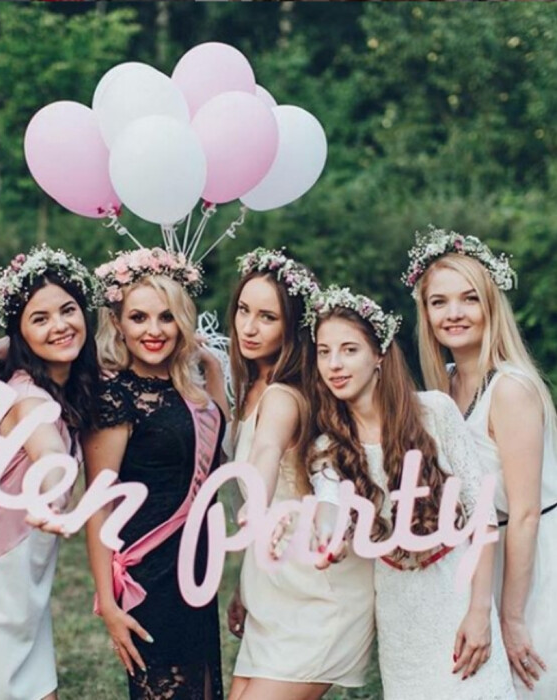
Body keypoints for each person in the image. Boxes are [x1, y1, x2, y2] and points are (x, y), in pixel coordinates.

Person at [305, 283, 516, 699]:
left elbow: (482, 518)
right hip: (399, 608)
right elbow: (328, 508)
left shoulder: (435, 411)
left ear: (379, 354)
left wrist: (479, 612)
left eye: (349, 349)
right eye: (324, 352)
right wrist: (326, 538)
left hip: (456, 593)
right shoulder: (327, 447)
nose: (335, 364)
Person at [0, 245, 101, 700]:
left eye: (68, 310)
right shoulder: (27, 395)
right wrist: (58, 492)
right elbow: (49, 454)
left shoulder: (66, 381)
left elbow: (17, 340)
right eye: (40, 319)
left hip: (26, 586)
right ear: (22, 332)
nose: (59, 326)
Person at [407, 225, 557, 697]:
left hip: (530, 565)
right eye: (439, 302)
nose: (454, 313)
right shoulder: (444, 388)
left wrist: (511, 616)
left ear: (490, 305)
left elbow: (527, 513)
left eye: (469, 299)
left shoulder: (510, 388)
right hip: (478, 563)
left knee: (530, 680)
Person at [225, 248, 375, 700]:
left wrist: (253, 500)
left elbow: (268, 450)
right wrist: (244, 587)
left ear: (292, 326)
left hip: (318, 594)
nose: (249, 327)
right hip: (273, 591)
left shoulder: (286, 395)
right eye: (243, 311)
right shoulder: (249, 388)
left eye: (267, 317)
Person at [86, 247, 227, 700]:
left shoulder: (189, 387)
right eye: (139, 318)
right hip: (150, 572)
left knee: (202, 688)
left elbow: (218, 454)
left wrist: (212, 370)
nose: (153, 330)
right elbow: (98, 504)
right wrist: (108, 602)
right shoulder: (116, 397)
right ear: (119, 325)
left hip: (197, 566)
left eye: (166, 317)